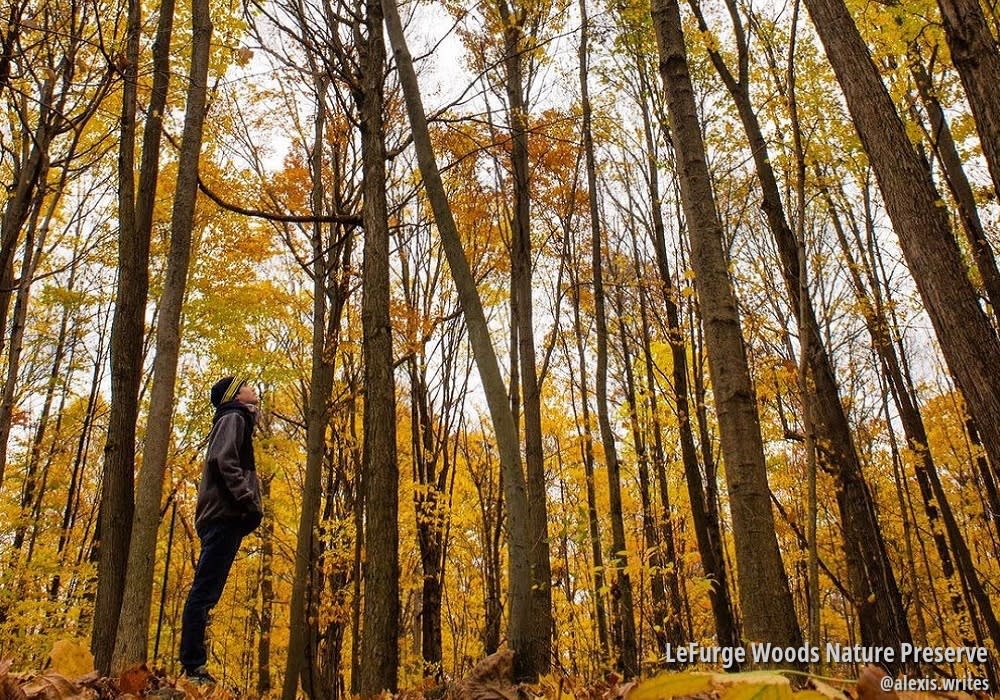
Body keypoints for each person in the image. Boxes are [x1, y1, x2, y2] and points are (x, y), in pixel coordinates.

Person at [179, 375, 264, 684]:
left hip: (223, 517)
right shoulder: (233, 417)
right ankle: (193, 667)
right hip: (222, 516)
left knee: (207, 592)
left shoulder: (237, 419)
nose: (253, 388)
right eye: (247, 385)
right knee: (204, 592)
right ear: (236, 395)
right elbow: (222, 460)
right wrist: (247, 499)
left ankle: (194, 665)